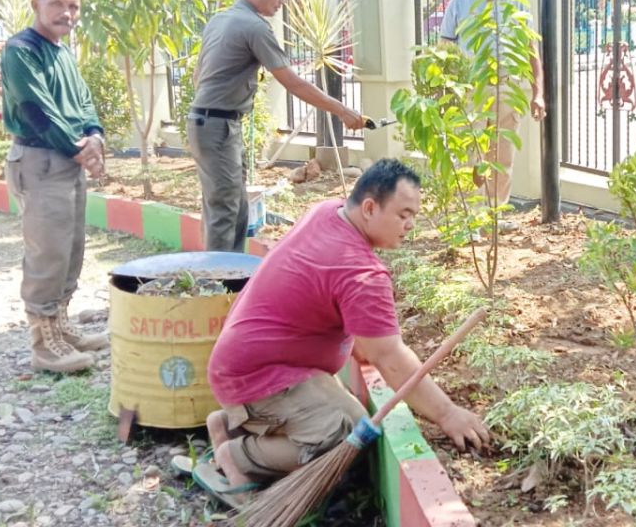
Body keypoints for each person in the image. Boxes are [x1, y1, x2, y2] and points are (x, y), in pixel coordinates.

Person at [196, 159, 489, 501]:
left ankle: (226, 425)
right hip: (258, 379)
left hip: (244, 362)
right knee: (347, 430)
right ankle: (238, 456)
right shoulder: (360, 272)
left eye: (414, 215)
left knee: (339, 413)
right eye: (403, 214)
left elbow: (351, 328)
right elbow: (389, 357)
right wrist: (448, 414)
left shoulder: (327, 211)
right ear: (369, 207)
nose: (410, 225)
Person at [187, 0, 364, 252]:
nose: (282, 0)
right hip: (217, 126)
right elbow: (292, 81)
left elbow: (198, 76)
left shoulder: (220, 19)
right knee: (225, 212)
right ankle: (219, 288)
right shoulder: (254, 27)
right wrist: (342, 110)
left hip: (211, 123)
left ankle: (232, 280)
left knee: (233, 207)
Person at [1, 0, 109, 374]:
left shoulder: (62, 52)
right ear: (36, 5)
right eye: (58, 4)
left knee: (70, 249)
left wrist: (94, 135)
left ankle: (62, 328)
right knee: (47, 252)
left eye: (74, 5)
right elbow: (36, 109)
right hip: (41, 160)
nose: (67, 12)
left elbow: (82, 101)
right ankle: (43, 345)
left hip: (68, 159)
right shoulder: (21, 51)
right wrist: (83, 151)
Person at [438, 0, 545, 208]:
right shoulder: (458, 5)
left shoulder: (517, 7)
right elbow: (444, 52)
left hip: (507, 89)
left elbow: (531, 53)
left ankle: (495, 213)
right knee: (470, 154)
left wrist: (538, 94)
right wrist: (446, 94)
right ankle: (473, 215)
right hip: (470, 90)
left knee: (501, 155)